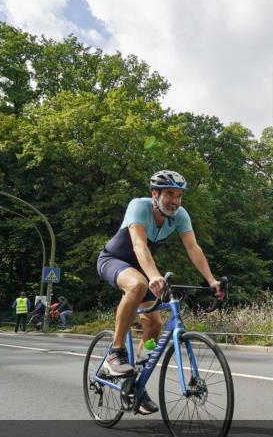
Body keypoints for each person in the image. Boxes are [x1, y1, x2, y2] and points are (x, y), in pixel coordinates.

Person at [95, 170, 224, 414]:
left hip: (142, 270)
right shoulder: (138, 206)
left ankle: (134, 383)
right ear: (155, 194)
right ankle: (115, 353)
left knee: (154, 325)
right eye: (170, 194)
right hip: (113, 260)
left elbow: (193, 248)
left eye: (179, 196)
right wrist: (154, 275)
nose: (175, 201)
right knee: (137, 284)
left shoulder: (180, 216)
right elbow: (138, 245)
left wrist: (211, 280)